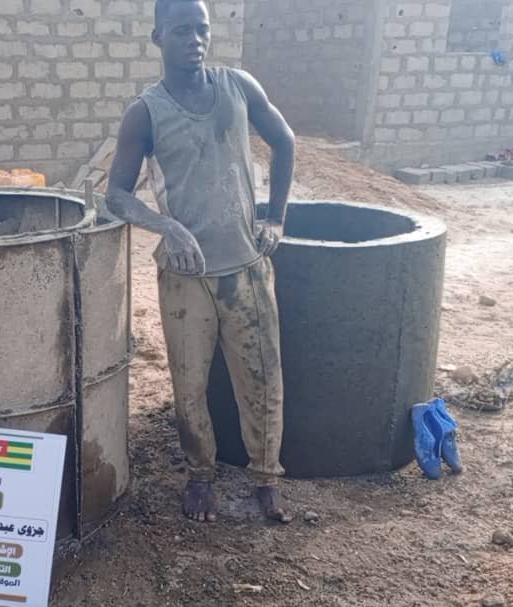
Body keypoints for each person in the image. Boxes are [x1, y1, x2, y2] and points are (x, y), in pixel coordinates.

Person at [106, 0, 296, 524]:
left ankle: (266, 479)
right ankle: (200, 476)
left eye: (202, 29)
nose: (195, 40)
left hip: (246, 265)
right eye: (181, 31)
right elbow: (116, 195)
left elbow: (284, 141)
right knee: (189, 386)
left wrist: (276, 218)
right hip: (185, 277)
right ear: (158, 38)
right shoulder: (146, 112)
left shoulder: (238, 87)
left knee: (262, 380)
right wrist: (165, 226)